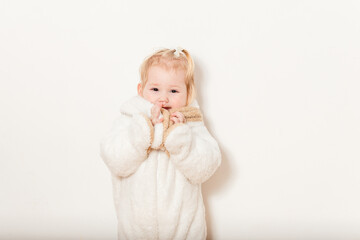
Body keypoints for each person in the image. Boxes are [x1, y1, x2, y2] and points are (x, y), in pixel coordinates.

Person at [100, 47, 221, 240]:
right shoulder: (131, 119)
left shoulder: (191, 123)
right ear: (141, 90)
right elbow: (115, 160)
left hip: (184, 229)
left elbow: (206, 166)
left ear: (188, 93)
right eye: (155, 89)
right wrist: (141, 134)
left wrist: (181, 140)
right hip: (135, 228)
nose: (163, 98)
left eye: (173, 90)